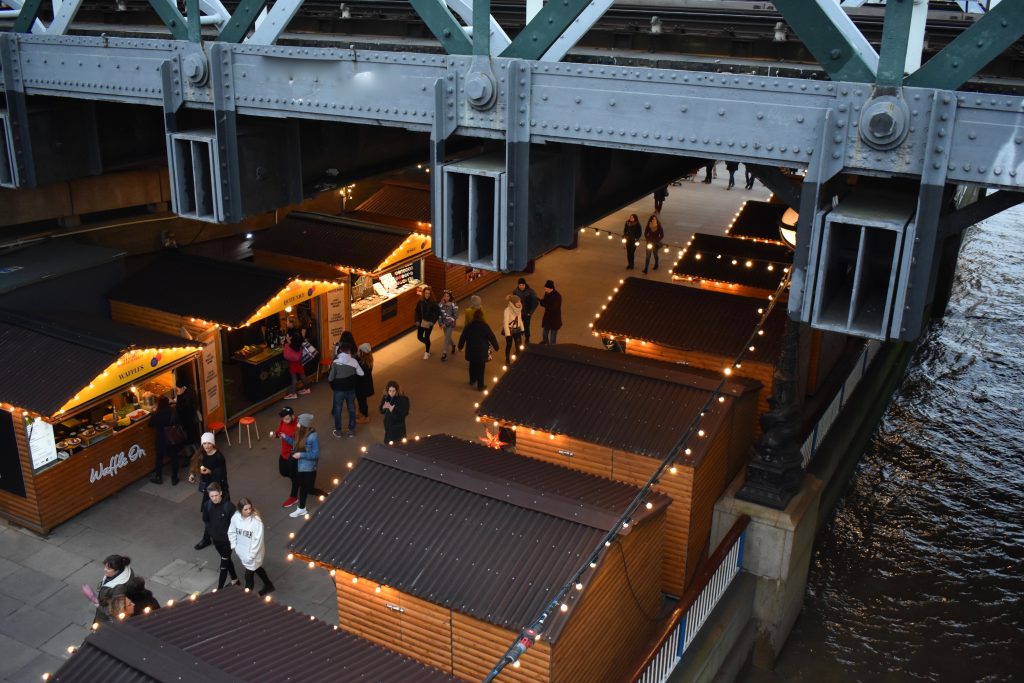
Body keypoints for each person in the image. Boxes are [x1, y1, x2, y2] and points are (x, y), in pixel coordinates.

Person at [228, 497, 275, 596]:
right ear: (240, 510)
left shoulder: (256, 522)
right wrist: (234, 546)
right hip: (243, 552)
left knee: (248, 575)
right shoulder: (235, 518)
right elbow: (231, 531)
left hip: (254, 554)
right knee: (257, 568)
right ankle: (269, 585)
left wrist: (252, 555)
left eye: (250, 508)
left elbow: (257, 540)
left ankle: (247, 597)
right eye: (246, 509)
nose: (248, 511)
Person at [191, 432, 229, 550]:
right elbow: (195, 464)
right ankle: (208, 538)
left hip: (218, 490)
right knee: (210, 514)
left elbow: (222, 474)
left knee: (218, 514)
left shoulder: (219, 457)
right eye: (204, 443)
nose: (206, 446)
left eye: (209, 443)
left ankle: (211, 538)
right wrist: (192, 474)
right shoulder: (202, 454)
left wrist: (210, 472)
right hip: (209, 489)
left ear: (213, 443)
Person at [202, 482, 239, 589]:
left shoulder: (229, 507)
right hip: (216, 540)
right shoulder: (207, 505)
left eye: (216, 495)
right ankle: (235, 579)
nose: (214, 498)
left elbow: (237, 524)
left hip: (228, 541)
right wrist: (212, 533)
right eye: (211, 496)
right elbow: (206, 520)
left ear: (221, 493)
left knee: (223, 566)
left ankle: (219, 590)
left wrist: (232, 539)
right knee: (227, 560)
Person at [458, 309, 499, 390]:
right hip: (482, 351)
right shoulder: (484, 326)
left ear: (473, 317)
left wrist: (460, 346)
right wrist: (496, 347)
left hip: (471, 350)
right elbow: (492, 337)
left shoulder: (469, 326)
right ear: (481, 317)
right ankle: (480, 386)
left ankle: (472, 380)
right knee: (481, 368)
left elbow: (463, 337)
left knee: (472, 365)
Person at [328, 341, 363, 438]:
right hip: (351, 390)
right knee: (351, 409)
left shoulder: (335, 362)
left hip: (338, 390)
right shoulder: (354, 361)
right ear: (349, 351)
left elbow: (330, 378)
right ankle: (351, 430)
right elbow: (361, 374)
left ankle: (338, 431)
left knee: (338, 410)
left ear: (340, 350)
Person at [289, 413, 319, 518]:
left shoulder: (312, 437)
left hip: (309, 468)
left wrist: (300, 455)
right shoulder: (299, 433)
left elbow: (315, 454)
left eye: (298, 422)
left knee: (308, 488)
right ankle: (302, 508)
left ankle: (326, 495)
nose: (296, 424)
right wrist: (284, 437)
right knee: (304, 487)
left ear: (303, 425)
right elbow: (294, 443)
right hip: (301, 466)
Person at [148, 396, 181, 485]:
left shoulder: (156, 414)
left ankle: (158, 477)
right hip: (172, 439)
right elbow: (178, 421)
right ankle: (174, 478)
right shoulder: (173, 412)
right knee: (174, 459)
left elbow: (150, 424)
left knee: (159, 459)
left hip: (161, 440)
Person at [91, 554, 133, 623]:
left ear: (117, 570)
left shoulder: (119, 588)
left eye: (109, 568)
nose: (105, 570)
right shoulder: (122, 572)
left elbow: (116, 609)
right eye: (105, 566)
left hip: (108, 618)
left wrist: (99, 606)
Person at [271, 406, 299, 508]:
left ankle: (293, 497)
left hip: (293, 455)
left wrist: (285, 437)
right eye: (283, 419)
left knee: (295, 477)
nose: (284, 420)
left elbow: (297, 444)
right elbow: (280, 432)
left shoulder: (298, 425)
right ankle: (297, 480)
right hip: (284, 453)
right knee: (283, 471)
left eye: (287, 418)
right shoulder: (283, 421)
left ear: (292, 416)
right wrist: (276, 434)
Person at [282, 318, 312, 400]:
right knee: (301, 373)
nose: (286, 322)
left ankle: (293, 393)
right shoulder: (298, 330)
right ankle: (307, 389)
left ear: (291, 323)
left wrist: (288, 341)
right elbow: (301, 341)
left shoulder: (291, 332)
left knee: (293, 375)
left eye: (288, 321)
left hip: (293, 357)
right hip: (298, 356)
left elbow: (294, 347)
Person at [173, 376, 200, 461]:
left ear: (183, 387)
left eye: (178, 387)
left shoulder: (185, 397)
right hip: (192, 422)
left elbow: (180, 409)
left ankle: (195, 457)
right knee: (191, 441)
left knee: (189, 441)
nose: (177, 389)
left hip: (187, 423)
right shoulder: (190, 391)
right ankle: (195, 456)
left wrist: (179, 397)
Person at [414, 285, 440, 359]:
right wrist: (416, 320)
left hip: (429, 323)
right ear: (423, 293)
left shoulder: (433, 303)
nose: (427, 295)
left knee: (427, 336)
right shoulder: (420, 301)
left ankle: (427, 352)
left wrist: (433, 321)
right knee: (419, 337)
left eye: (428, 293)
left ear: (431, 294)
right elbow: (417, 311)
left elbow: (437, 313)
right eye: (426, 293)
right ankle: (428, 344)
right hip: (421, 322)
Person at [513, 278, 538, 344]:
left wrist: (530, 312)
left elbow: (535, 302)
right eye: (520, 285)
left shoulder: (530, 292)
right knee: (518, 326)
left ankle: (527, 339)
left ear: (525, 284)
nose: (521, 286)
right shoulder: (515, 291)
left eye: (522, 285)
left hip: (527, 313)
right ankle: (519, 341)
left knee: (526, 326)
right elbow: (513, 302)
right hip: (519, 313)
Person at [501, 294, 524, 365]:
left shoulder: (519, 309)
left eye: (520, 302)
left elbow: (520, 319)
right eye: (517, 302)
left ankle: (519, 356)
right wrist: (508, 334)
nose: (519, 304)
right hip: (510, 330)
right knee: (509, 345)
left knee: (519, 344)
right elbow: (505, 323)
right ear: (513, 303)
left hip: (517, 329)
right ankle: (507, 359)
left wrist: (522, 329)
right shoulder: (507, 310)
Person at [355, 343, 375, 422]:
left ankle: (365, 417)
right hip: (366, 385)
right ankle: (362, 412)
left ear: (362, 352)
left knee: (362, 401)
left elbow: (359, 375)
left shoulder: (362, 363)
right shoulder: (368, 361)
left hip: (361, 386)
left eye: (359, 351)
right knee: (362, 401)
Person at [539, 280, 563, 345]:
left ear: (551, 288)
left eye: (546, 288)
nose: (545, 289)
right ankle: (546, 344)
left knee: (553, 337)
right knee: (544, 334)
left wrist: (544, 304)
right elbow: (545, 302)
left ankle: (552, 349)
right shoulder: (547, 293)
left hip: (555, 319)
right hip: (547, 318)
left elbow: (553, 307)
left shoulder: (557, 296)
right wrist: (541, 302)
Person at [437, 290, 458, 361]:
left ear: (450, 297)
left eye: (448, 296)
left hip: (450, 324)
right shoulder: (440, 304)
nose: (446, 297)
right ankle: (453, 345)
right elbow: (439, 314)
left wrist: (445, 324)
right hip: (443, 324)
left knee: (446, 338)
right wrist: (440, 324)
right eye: (445, 296)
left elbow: (455, 317)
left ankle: (444, 354)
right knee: (447, 337)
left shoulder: (454, 304)